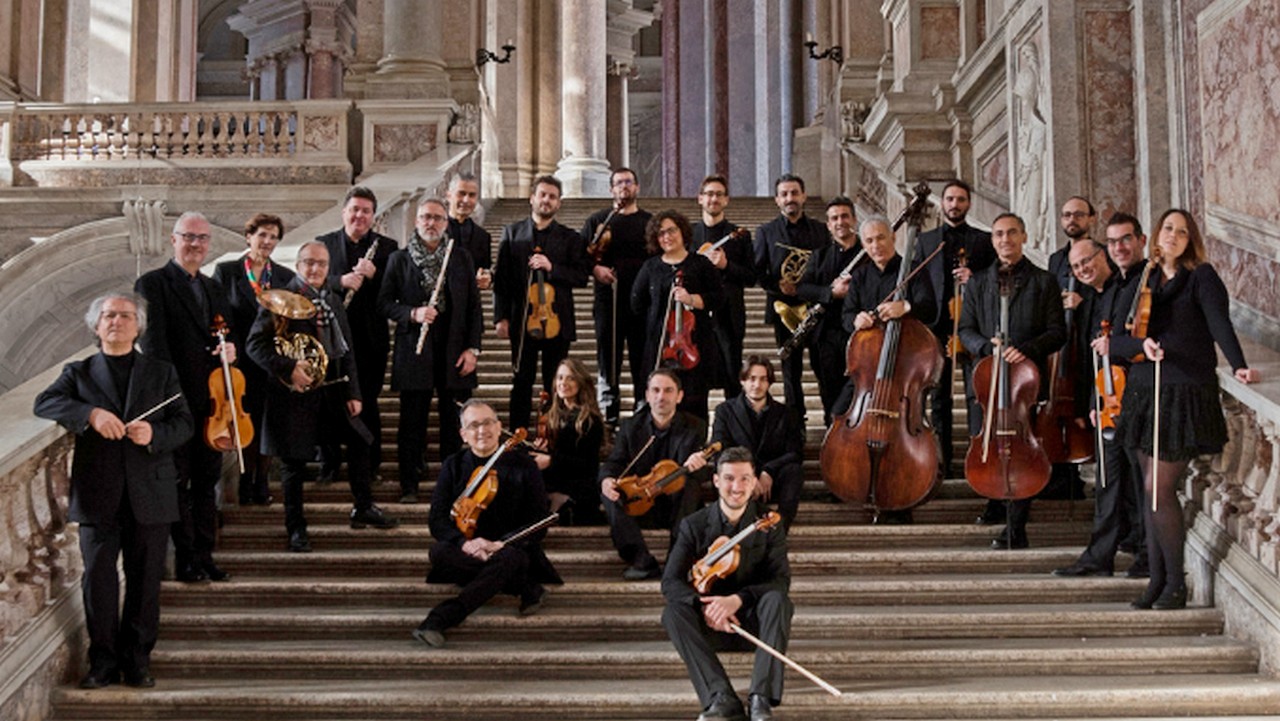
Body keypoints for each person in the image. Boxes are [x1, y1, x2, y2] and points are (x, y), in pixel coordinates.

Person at [34, 293, 192, 689]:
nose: (116, 321)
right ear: (96, 325)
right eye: (108, 315)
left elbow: (184, 424)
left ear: (138, 327)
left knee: (145, 583)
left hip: (151, 494)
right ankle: (102, 663)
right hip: (97, 494)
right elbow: (45, 402)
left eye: (125, 316)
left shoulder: (161, 372)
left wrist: (154, 433)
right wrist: (90, 414)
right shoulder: (79, 372)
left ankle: (138, 662)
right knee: (98, 583)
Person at [1111, 209, 1259, 610]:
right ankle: (1157, 580)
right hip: (1145, 391)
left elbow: (1219, 323)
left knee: (1158, 489)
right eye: (1168, 228)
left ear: (1190, 239)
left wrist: (1239, 364)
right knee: (1148, 492)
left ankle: (1175, 583)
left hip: (1184, 391)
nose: (1173, 235)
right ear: (1157, 234)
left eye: (1181, 231)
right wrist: (1141, 346)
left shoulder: (1202, 277)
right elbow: (1115, 340)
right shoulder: (1143, 278)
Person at [246, 241, 398, 554]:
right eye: (309, 263)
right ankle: (296, 528)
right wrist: (289, 368)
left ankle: (363, 507)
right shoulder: (278, 300)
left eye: (321, 264)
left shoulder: (332, 300)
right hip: (293, 396)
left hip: (332, 391)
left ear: (329, 268)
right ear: (298, 265)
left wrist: (354, 392)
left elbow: (346, 349)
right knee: (293, 466)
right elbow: (254, 346)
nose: (315, 269)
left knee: (361, 441)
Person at [134, 211, 235, 583]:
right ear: (173, 240)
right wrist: (177, 398)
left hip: (212, 406)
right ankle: (186, 559)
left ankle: (206, 556)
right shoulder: (152, 284)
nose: (195, 244)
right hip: (176, 406)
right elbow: (154, 349)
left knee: (207, 483)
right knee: (179, 484)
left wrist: (231, 350)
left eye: (202, 238)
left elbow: (226, 334)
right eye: (189, 237)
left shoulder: (213, 288)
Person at [414, 400, 562, 648]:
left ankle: (442, 617)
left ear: (499, 427)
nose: (482, 430)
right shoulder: (453, 464)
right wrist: (464, 543)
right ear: (463, 434)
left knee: (512, 559)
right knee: (438, 552)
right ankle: (524, 586)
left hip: (509, 547)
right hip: (468, 550)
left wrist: (499, 544)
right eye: (474, 425)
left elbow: (539, 520)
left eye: (487, 423)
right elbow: (437, 519)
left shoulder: (524, 465)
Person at [959, 213, 1065, 549]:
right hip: (988, 380)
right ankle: (995, 500)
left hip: (1025, 383)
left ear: (1024, 237)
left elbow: (1057, 332)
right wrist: (984, 347)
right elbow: (965, 330)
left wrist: (1027, 350)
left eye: (1011, 233)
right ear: (993, 241)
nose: (1005, 239)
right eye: (999, 234)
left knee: (1023, 451)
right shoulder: (978, 283)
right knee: (989, 445)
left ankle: (1016, 526)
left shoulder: (1044, 281)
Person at [662, 446, 792, 721]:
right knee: (673, 612)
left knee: (778, 600)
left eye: (745, 478)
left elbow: (780, 580)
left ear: (754, 482)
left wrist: (738, 600)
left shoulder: (768, 524)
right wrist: (706, 605)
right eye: (729, 478)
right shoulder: (694, 525)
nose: (737, 487)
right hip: (710, 625)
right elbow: (670, 582)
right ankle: (720, 697)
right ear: (716, 480)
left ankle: (760, 697)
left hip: (753, 624)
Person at [377, 198, 482, 503]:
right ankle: (409, 485)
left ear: (446, 223)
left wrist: (473, 349)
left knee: (453, 423)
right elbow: (384, 303)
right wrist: (413, 313)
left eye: (437, 218)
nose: (431, 223)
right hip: (415, 350)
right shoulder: (399, 259)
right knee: (412, 422)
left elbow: (474, 307)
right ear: (416, 221)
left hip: (454, 350)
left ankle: (454, 485)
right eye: (425, 217)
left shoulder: (460, 257)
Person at [836, 214, 938, 524]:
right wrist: (856, 320)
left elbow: (930, 308)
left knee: (904, 433)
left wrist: (905, 307)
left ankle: (900, 495)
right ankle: (858, 485)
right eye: (869, 240)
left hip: (903, 373)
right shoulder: (861, 277)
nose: (876, 245)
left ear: (893, 238)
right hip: (869, 374)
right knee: (838, 413)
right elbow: (846, 315)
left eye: (881, 238)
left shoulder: (914, 271)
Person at [1054, 235, 1144, 577]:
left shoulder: (1126, 290)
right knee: (1111, 482)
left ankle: (1137, 552)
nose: (1082, 269)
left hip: (1133, 400)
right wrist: (1095, 401)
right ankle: (1103, 556)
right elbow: (1097, 361)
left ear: (1102, 255)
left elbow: (1125, 347)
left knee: (1131, 482)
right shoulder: (1097, 298)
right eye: (1076, 266)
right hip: (1108, 400)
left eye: (1086, 261)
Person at [212, 213, 297, 506]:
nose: (267, 241)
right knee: (245, 422)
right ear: (248, 237)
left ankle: (262, 482)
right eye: (262, 235)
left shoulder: (284, 276)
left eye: (273, 237)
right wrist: (230, 347)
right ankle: (245, 482)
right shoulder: (227, 272)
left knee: (267, 425)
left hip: (271, 362)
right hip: (241, 363)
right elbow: (219, 315)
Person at [494, 174, 590, 430]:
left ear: (559, 203)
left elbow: (581, 277)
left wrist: (552, 267)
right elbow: (501, 280)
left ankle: (553, 433)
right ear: (532, 198)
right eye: (543, 195)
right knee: (521, 380)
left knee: (556, 383)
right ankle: (518, 435)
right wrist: (501, 317)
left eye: (552, 197)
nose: (547, 200)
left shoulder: (570, 237)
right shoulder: (512, 233)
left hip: (557, 322)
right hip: (522, 320)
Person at [913, 180, 995, 474]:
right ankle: (943, 461)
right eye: (950, 199)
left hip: (973, 328)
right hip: (938, 327)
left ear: (969, 203)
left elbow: (995, 280)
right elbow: (918, 284)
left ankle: (977, 458)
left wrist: (975, 278)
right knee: (939, 397)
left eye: (961, 199)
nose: (955, 204)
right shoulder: (926, 241)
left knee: (976, 395)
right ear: (942, 203)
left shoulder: (984, 241)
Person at [317, 186, 396, 481]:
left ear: (373, 216)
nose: (359, 216)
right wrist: (340, 281)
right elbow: (309, 283)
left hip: (370, 341)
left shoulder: (387, 248)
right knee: (329, 403)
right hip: (331, 338)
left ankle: (369, 465)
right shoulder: (323, 244)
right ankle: (329, 463)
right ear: (344, 212)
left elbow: (395, 292)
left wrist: (375, 276)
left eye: (366, 211)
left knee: (367, 404)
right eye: (355, 209)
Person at [600, 369, 710, 580]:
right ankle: (641, 560)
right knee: (610, 494)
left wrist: (698, 465)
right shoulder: (630, 426)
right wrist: (606, 479)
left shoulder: (695, 426)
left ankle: (677, 560)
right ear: (647, 395)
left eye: (668, 391)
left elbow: (703, 474)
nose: (661, 396)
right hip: (641, 504)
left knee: (689, 484)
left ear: (679, 396)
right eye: (656, 390)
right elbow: (614, 462)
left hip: (678, 507)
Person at [632, 209, 725, 421]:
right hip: (662, 346)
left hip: (694, 345)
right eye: (661, 233)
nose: (667, 236)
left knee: (695, 402)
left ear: (683, 231)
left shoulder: (700, 264)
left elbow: (718, 298)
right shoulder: (651, 267)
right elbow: (636, 304)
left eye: (672, 230)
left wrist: (691, 299)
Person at [583, 167, 654, 426]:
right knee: (608, 357)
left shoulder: (650, 222)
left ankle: (642, 413)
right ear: (611, 189)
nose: (624, 186)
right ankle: (609, 416)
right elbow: (581, 255)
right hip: (608, 300)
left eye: (629, 182)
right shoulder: (599, 220)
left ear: (637, 187)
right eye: (619, 182)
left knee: (641, 358)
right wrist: (595, 269)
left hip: (642, 303)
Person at [754, 173, 830, 415]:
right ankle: (796, 423)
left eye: (794, 193)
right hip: (784, 309)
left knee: (823, 367)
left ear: (804, 196)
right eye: (784, 194)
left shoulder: (821, 230)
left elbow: (828, 267)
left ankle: (831, 418)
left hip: (817, 307)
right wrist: (778, 286)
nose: (790, 198)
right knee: (790, 370)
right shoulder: (766, 232)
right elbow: (757, 272)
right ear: (777, 199)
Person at [710, 357, 805, 529]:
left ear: (769, 383)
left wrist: (768, 471)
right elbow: (720, 450)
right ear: (742, 381)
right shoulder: (725, 411)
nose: (757, 385)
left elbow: (795, 452)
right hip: (739, 479)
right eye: (752, 379)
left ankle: (780, 528)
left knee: (794, 471)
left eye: (763, 379)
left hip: (772, 481)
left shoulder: (786, 413)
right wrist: (749, 476)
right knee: (725, 470)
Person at [795, 196, 860, 425]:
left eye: (844, 216)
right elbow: (802, 288)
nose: (840, 222)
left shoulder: (867, 254)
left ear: (854, 220)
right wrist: (831, 293)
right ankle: (832, 434)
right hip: (826, 337)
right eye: (834, 218)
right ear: (829, 225)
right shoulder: (819, 255)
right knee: (829, 391)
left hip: (859, 335)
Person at [691, 174, 756, 400]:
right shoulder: (689, 234)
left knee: (732, 374)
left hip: (729, 314)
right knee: (697, 377)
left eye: (719, 194)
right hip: (696, 314)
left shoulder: (739, 236)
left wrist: (726, 265)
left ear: (726, 200)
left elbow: (751, 277)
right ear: (700, 198)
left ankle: (732, 419)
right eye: (709, 194)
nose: (714, 199)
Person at [528, 358, 606, 526]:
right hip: (557, 476)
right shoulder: (552, 415)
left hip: (579, 482)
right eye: (560, 377)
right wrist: (543, 450)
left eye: (571, 378)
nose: (563, 383)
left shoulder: (591, 420)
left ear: (581, 383)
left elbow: (586, 464)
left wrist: (551, 460)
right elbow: (558, 451)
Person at [445, 172, 493, 290]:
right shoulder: (435, 231)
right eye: (461, 194)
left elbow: (484, 269)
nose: (466, 200)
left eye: (472, 195)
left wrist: (487, 278)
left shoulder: (483, 236)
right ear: (449, 195)